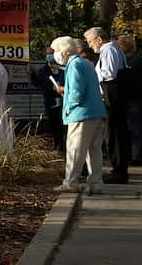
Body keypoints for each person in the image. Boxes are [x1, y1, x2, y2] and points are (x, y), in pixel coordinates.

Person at [51, 36, 107, 195]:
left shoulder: (74, 65)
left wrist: (69, 108)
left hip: (81, 114)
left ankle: (71, 182)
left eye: (55, 51)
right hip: (97, 112)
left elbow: (76, 91)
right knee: (94, 150)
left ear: (65, 51)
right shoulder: (86, 63)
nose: (54, 54)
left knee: (75, 149)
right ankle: (96, 183)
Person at [86, 26, 130, 184]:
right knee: (115, 131)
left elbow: (110, 73)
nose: (90, 45)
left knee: (115, 131)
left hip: (112, 93)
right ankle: (118, 167)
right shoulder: (111, 49)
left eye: (90, 41)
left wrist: (92, 74)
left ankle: (119, 169)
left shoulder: (108, 50)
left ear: (99, 39)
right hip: (112, 93)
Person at [117, 35, 142, 165]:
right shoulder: (128, 61)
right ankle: (135, 154)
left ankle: (141, 156)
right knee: (133, 129)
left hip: (135, 101)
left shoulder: (135, 62)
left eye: (120, 45)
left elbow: (141, 83)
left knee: (137, 129)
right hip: (132, 101)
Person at [30, 47, 65, 152]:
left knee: (64, 126)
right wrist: (32, 74)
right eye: (47, 54)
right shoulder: (43, 71)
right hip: (50, 102)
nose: (49, 56)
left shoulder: (64, 69)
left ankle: (64, 146)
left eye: (51, 54)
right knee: (53, 125)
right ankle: (57, 146)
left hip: (64, 102)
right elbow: (37, 84)